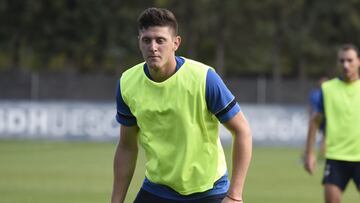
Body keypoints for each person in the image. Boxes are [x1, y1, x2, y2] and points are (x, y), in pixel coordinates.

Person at [111, 7, 252, 203]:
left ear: (175, 43)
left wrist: (235, 195)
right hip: (157, 188)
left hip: (209, 190)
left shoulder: (204, 78)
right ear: (139, 43)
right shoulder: (127, 83)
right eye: (147, 40)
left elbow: (242, 131)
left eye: (160, 40)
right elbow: (126, 147)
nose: (153, 47)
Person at [304, 44, 360, 203]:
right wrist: (309, 153)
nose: (346, 65)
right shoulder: (328, 89)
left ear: (359, 61)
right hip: (336, 157)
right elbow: (314, 121)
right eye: (342, 61)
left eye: (350, 60)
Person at [308, 76, 328, 159]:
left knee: (324, 137)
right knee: (320, 137)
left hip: (321, 118)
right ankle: (313, 155)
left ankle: (320, 155)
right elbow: (310, 107)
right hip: (320, 118)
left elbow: (310, 107)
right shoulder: (325, 93)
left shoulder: (314, 93)